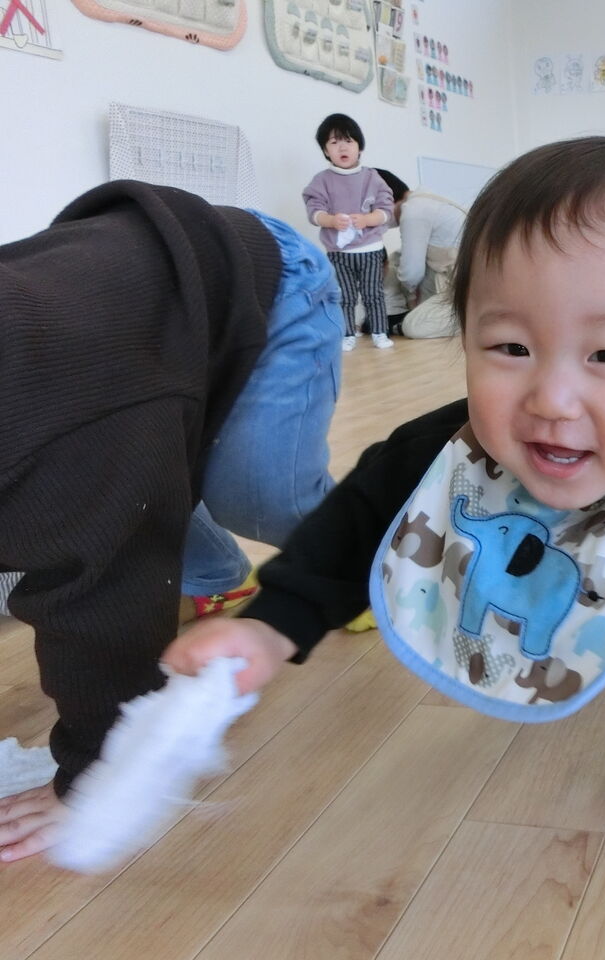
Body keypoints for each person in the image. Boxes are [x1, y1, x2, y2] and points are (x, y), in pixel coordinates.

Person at [163, 136, 605, 873]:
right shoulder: (448, 453)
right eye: (511, 348)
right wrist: (273, 626)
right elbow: (354, 524)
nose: (552, 400)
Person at [0, 180, 343, 862]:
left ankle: (372, 554)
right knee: (133, 482)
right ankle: (215, 574)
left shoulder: (49, 426)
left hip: (270, 279)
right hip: (136, 341)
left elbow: (103, 589)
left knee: (257, 498)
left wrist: (93, 770)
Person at [303, 113, 395, 351]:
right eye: (334, 142)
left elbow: (386, 209)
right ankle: (347, 333)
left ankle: (379, 332)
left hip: (371, 248)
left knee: (373, 293)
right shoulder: (321, 180)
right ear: (326, 151)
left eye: (348, 141)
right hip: (338, 252)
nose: (342, 147)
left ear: (359, 147)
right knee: (344, 294)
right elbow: (314, 211)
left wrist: (367, 219)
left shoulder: (372, 177)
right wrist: (331, 220)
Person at [372, 168, 467, 339]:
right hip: (453, 277)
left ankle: (474, 319)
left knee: (413, 326)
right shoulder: (426, 199)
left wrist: (411, 296)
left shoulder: (413, 211)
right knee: (396, 258)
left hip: (463, 285)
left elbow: (411, 273)